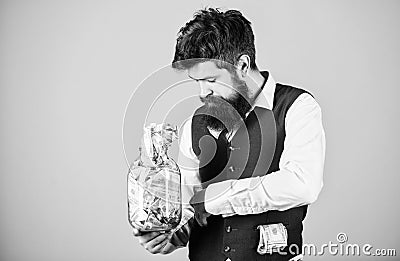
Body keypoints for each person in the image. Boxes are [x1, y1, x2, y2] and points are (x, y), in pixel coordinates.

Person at [132, 8, 325, 261]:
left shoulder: (297, 106)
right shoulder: (195, 123)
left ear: (242, 65)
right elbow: (190, 201)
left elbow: (302, 185)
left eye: (211, 80)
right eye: (197, 81)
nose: (203, 92)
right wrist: (171, 233)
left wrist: (215, 198)